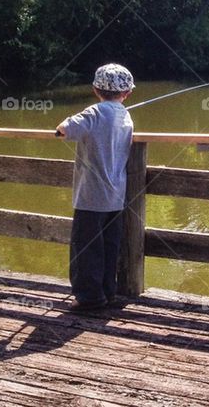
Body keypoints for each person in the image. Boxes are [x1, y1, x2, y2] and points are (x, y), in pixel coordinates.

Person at [56, 63, 135, 311]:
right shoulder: (126, 115)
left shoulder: (95, 112)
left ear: (95, 89)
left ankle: (90, 297)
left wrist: (60, 129)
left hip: (91, 195)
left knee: (87, 247)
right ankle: (107, 292)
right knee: (110, 245)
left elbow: (65, 129)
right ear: (128, 93)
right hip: (116, 194)